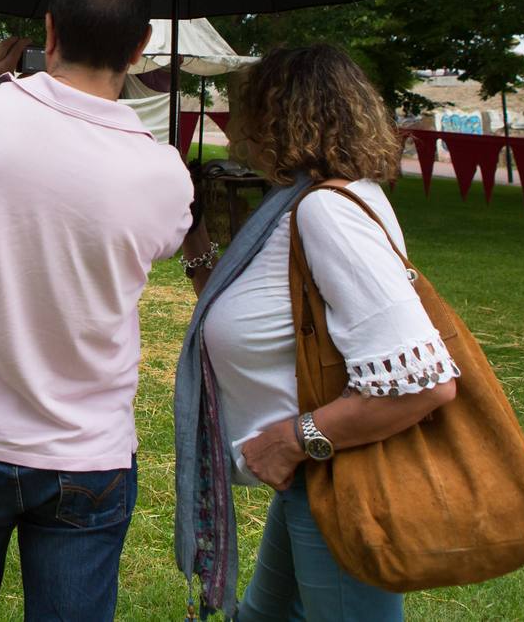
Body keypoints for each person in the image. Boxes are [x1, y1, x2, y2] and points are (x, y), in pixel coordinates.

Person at [0, 0, 192, 621]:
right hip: (87, 452)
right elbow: (167, 243)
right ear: (141, 47)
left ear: (48, 30)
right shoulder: (162, 171)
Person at [174, 44, 459, 622]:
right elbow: (259, 315)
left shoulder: (328, 212)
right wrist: (194, 236)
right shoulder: (299, 204)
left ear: (279, 117)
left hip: (340, 481)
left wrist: (289, 440)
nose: (233, 128)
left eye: (243, 111)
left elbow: (424, 384)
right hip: (312, 480)